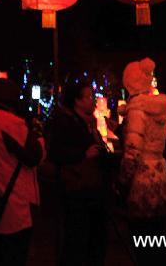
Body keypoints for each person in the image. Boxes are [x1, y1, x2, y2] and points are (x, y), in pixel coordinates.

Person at [0, 77, 44, 265]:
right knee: (12, 256)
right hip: (14, 207)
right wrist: (38, 137)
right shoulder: (10, 123)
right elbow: (34, 157)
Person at [48, 79, 110, 265]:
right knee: (77, 240)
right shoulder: (66, 122)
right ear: (77, 101)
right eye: (88, 97)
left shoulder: (88, 123)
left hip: (92, 189)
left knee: (94, 239)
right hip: (78, 190)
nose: (93, 100)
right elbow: (56, 152)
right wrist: (83, 154)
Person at [118, 58, 166, 264]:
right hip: (160, 176)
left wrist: (122, 183)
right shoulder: (158, 107)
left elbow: (132, 151)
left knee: (142, 241)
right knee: (158, 237)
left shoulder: (137, 110)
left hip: (142, 183)